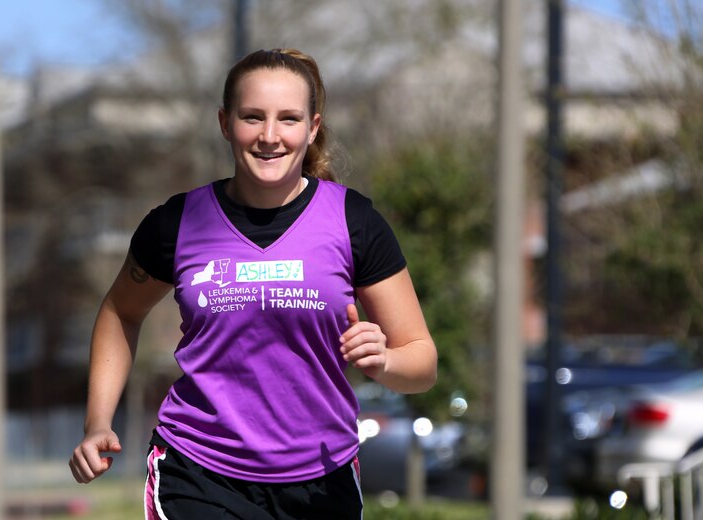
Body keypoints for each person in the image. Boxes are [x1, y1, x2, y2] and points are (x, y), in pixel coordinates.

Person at [69, 48, 437, 519]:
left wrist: (384, 361)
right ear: (225, 123)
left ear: (313, 127)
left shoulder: (353, 221)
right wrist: (98, 420)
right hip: (198, 471)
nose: (269, 136)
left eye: (288, 119)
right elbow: (121, 311)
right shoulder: (178, 223)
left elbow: (421, 360)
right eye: (252, 117)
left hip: (322, 479)